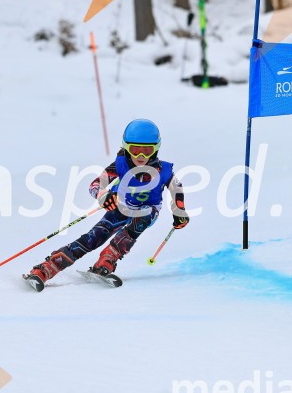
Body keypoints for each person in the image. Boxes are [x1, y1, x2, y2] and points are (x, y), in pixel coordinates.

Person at [26, 119, 189, 289]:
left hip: (148, 210)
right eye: (135, 150)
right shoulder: (120, 165)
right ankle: (47, 268)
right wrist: (103, 196)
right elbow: (96, 184)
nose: (141, 156)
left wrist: (179, 211)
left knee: (142, 218)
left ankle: (107, 260)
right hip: (120, 206)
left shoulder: (164, 170)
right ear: (126, 147)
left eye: (147, 150)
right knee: (94, 237)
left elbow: (176, 187)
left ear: (156, 148)